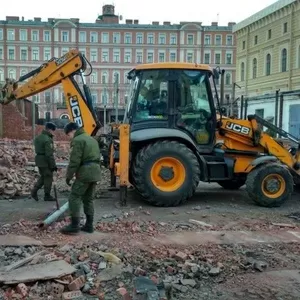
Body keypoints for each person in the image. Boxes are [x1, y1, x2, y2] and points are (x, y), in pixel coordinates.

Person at [60, 122, 101, 235]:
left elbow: (74, 161)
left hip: (85, 172)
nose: (69, 138)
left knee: (74, 197)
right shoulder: (92, 139)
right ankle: (89, 225)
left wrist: (68, 176)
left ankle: (74, 225)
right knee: (88, 199)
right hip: (95, 172)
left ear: (72, 131)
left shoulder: (78, 140)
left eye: (68, 135)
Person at [31, 122, 57, 202]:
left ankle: (34, 190)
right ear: (49, 130)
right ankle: (47, 195)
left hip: (39, 159)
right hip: (45, 161)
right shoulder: (47, 139)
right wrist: (53, 165)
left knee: (44, 176)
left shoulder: (38, 137)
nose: (53, 132)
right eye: (53, 131)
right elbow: (49, 154)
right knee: (48, 177)